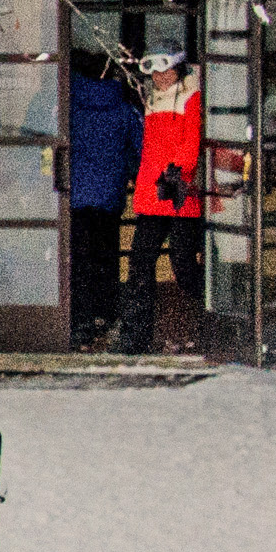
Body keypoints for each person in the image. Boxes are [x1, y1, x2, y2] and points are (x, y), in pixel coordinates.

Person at [118, 51, 206, 355]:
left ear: (178, 68)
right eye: (154, 71)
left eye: (165, 70)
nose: (158, 76)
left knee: (182, 266)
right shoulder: (150, 98)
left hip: (176, 191)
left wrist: (176, 172)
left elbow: (191, 141)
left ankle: (211, 320)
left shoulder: (192, 97)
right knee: (140, 266)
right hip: (154, 193)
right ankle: (134, 337)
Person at [66, 49, 141, 350]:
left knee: (78, 259)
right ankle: (106, 314)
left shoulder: (66, 102)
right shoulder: (123, 107)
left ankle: (80, 319)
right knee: (106, 254)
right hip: (110, 195)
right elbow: (138, 151)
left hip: (74, 194)